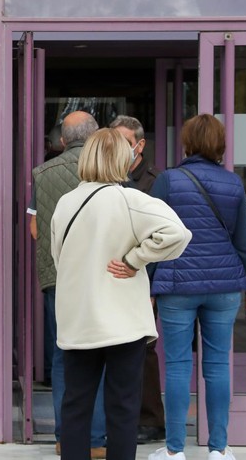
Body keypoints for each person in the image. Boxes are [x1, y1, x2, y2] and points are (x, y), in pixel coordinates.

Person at [52, 128, 191, 460]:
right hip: (123, 322)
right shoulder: (130, 200)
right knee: (123, 409)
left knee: (75, 406)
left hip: (79, 319)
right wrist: (135, 259)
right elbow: (178, 234)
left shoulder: (65, 203)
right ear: (121, 159)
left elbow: (59, 259)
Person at [146, 114, 246, 460]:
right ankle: (219, 449)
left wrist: (149, 284)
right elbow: (244, 242)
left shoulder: (168, 181)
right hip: (225, 285)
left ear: (187, 144)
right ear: (220, 146)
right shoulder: (233, 184)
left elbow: (153, 235)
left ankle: (174, 451)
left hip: (177, 283)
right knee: (216, 365)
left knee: (179, 365)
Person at [27, 110, 107, 457]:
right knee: (103, 353)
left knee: (64, 357)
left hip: (57, 278)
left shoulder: (42, 174)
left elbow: (33, 230)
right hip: (102, 277)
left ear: (62, 139)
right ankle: (97, 440)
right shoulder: (107, 172)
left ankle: (65, 438)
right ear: (93, 138)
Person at [109, 115, 165, 445]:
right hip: (114, 277)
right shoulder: (108, 178)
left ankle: (151, 419)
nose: (117, 148)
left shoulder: (155, 182)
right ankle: (124, 418)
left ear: (139, 145)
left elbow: (162, 238)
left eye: (124, 142)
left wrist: (153, 287)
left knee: (144, 350)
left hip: (143, 279)